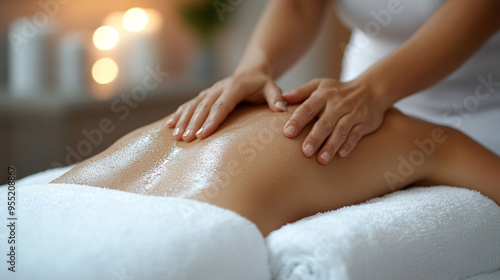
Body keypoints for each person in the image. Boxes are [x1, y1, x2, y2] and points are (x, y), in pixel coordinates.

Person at [52, 104, 500, 236]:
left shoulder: (417, 137)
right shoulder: (421, 140)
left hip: (35, 216)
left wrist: (375, 89)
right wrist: (253, 67)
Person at [166, 0, 500, 165]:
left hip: (485, 101)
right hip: (361, 99)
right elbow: (299, 5)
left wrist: (374, 90)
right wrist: (255, 66)